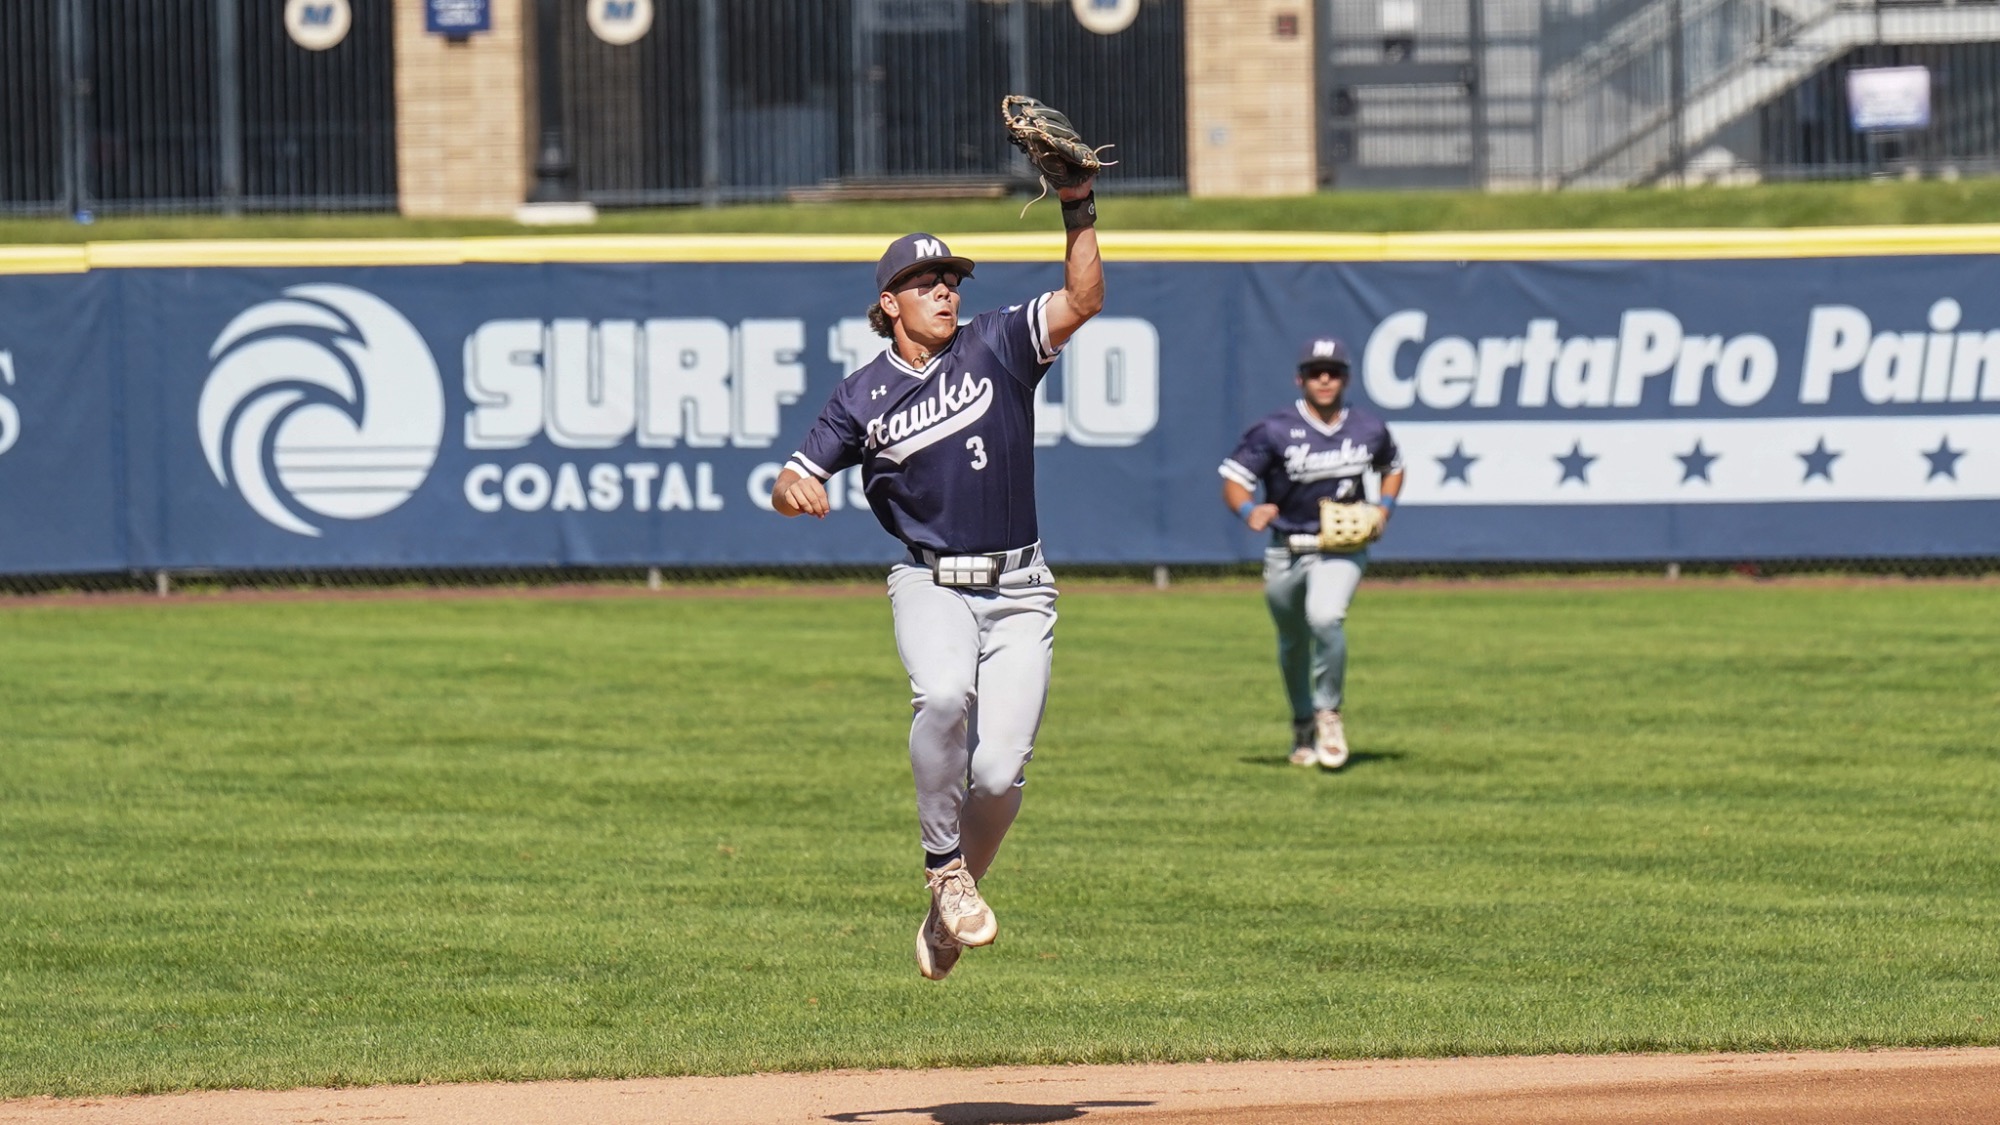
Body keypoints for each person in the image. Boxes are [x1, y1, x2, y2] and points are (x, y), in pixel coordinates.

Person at [769, 178, 1103, 980]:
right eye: (926, 283)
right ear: (889, 303)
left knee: (996, 772)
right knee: (945, 693)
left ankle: (948, 907)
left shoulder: (997, 344)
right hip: (931, 583)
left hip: (1023, 588)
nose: (946, 292)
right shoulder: (860, 397)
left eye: (951, 280)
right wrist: (796, 490)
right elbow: (789, 476)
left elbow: (1083, 297)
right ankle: (944, 866)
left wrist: (1078, 204)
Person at [1218, 337, 1404, 771]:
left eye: (1333, 371)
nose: (1325, 379)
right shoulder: (1274, 429)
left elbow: (1393, 466)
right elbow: (1234, 477)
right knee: (1293, 642)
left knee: (1325, 617)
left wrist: (1384, 508)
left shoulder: (1368, 427)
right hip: (1286, 550)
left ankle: (1328, 714)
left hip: (1341, 548)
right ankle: (1303, 722)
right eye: (1316, 371)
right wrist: (1248, 509)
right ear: (1300, 378)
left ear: (1345, 378)